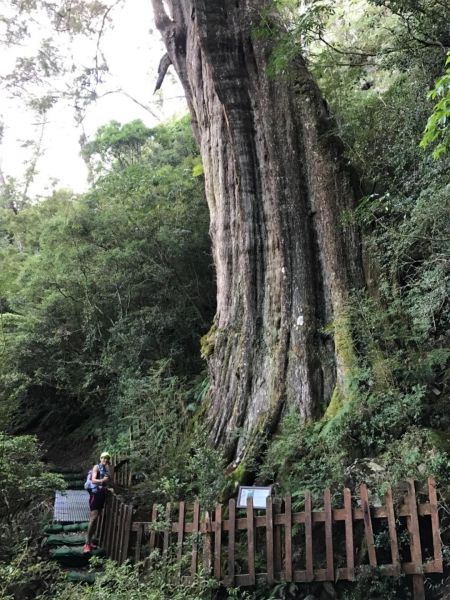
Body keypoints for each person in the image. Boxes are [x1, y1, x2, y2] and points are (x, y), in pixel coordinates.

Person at [83, 451, 113, 553]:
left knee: (96, 519)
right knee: (93, 518)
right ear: (100, 459)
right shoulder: (96, 467)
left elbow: (108, 481)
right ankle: (86, 544)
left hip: (101, 495)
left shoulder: (107, 469)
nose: (105, 460)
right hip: (95, 495)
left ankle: (90, 541)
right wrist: (102, 481)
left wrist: (107, 485)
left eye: (107, 458)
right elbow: (93, 480)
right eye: (103, 458)